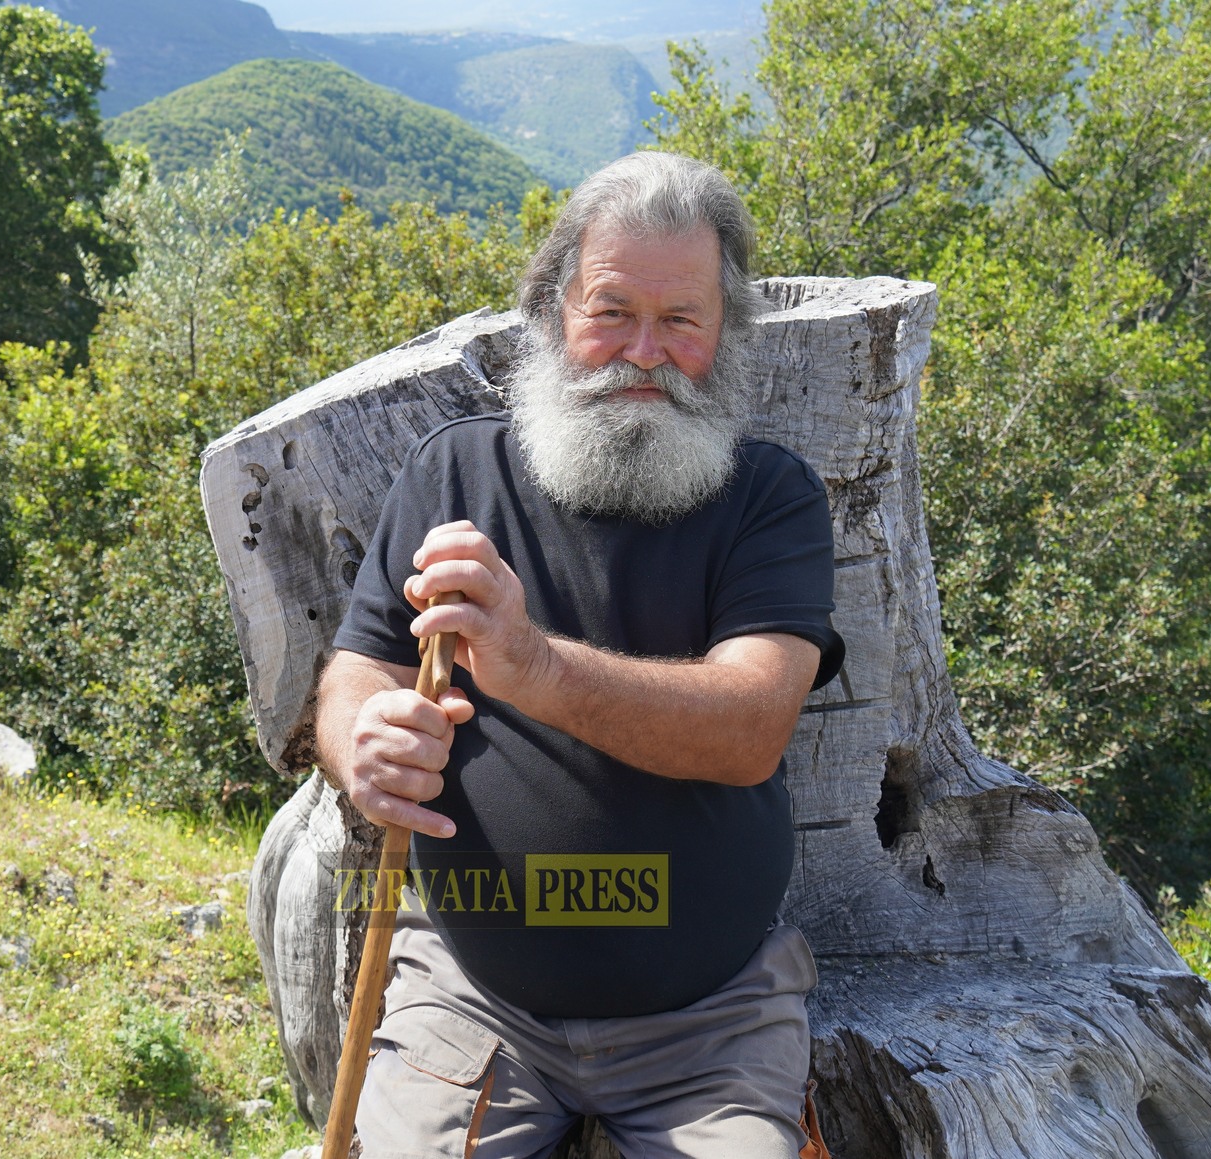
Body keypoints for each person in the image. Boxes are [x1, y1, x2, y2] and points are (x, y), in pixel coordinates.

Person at [315, 150, 843, 1158]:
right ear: (554, 310)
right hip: (474, 999)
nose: (641, 352)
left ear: (725, 330)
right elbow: (360, 667)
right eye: (611, 312)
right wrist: (360, 741)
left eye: (680, 320)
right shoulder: (457, 472)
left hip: (712, 1023)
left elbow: (751, 728)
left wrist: (535, 666)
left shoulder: (770, 499)